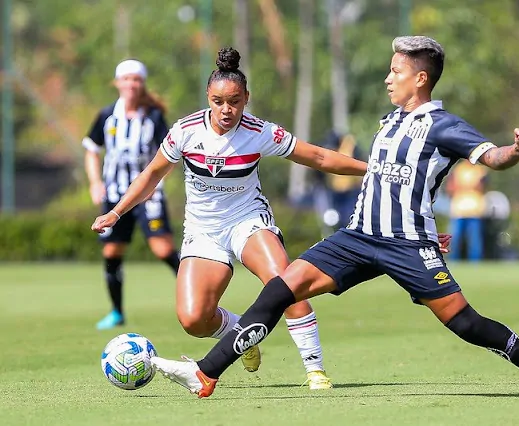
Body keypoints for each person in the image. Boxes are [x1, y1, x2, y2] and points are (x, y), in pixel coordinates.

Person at [147, 36, 519, 399]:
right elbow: (390, 182)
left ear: (420, 79)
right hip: (358, 237)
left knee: (468, 325)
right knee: (279, 291)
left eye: (396, 71)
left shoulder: (443, 126)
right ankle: (204, 375)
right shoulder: (389, 121)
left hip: (407, 246)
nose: (388, 78)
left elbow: (492, 158)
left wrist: (515, 151)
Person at [92, 47, 373, 389]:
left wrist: (372, 169)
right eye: (218, 101)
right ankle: (242, 336)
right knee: (194, 319)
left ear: (246, 98)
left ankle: (315, 370)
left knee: (285, 283)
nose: (227, 110)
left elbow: (317, 157)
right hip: (203, 230)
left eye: (235, 101)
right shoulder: (185, 131)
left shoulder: (259, 131)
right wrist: (116, 211)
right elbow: (151, 175)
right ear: (208, 98)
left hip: (248, 221)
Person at [83, 59, 180, 330]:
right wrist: (94, 182)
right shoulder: (106, 116)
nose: (131, 84)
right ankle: (116, 312)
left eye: (136, 79)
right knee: (112, 251)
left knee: (163, 249)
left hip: (149, 196)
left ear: (142, 84)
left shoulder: (154, 117)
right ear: (117, 83)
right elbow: (91, 149)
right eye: (126, 79)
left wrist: (155, 184)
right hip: (115, 194)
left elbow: (170, 155)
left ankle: (195, 298)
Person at [445, 160, 488, 262]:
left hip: (475, 211)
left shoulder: (481, 170)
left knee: (474, 241)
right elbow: (451, 187)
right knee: (454, 239)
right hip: (458, 210)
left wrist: (463, 185)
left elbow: (481, 187)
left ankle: (475, 265)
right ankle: (453, 262)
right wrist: (470, 185)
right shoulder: (458, 170)